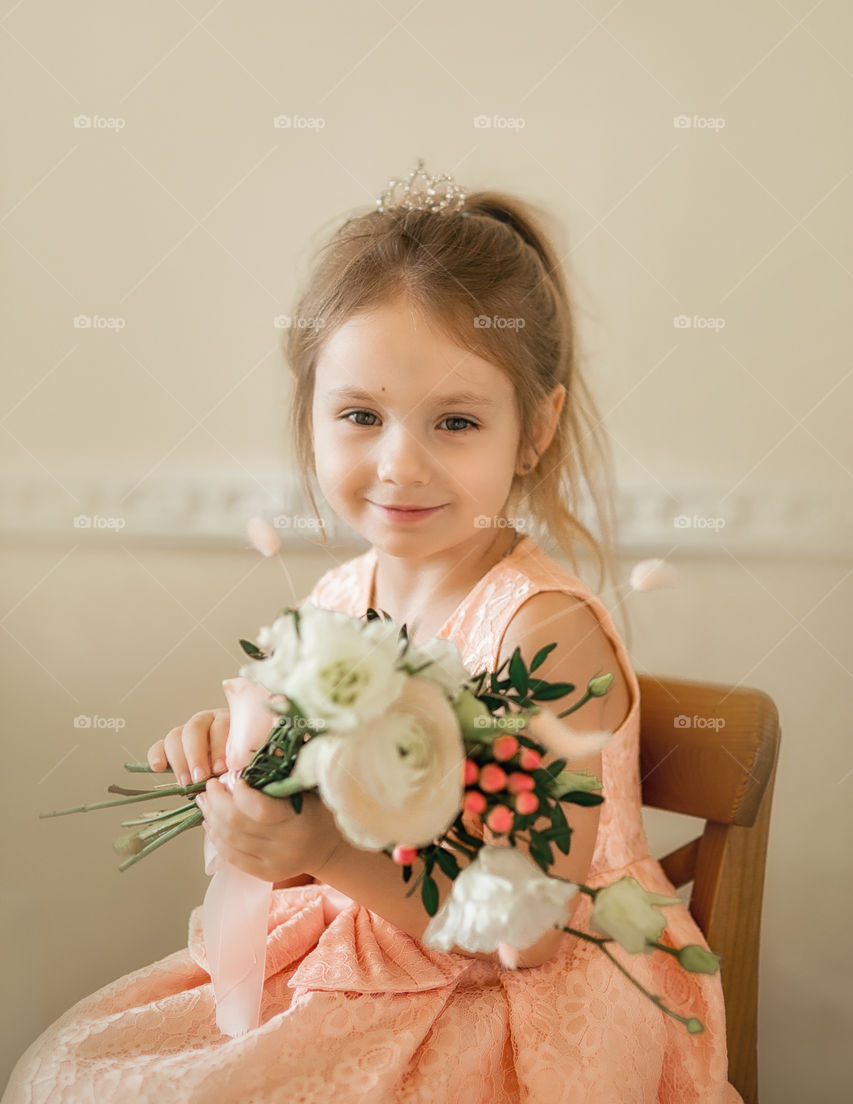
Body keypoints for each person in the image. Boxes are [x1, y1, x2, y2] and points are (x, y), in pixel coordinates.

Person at [2, 161, 742, 1102]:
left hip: (516, 1011)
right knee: (73, 1072)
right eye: (359, 415)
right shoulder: (339, 600)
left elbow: (529, 924)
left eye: (456, 421)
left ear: (536, 428)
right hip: (358, 965)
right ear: (310, 414)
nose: (400, 463)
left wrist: (325, 855)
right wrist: (239, 765)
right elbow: (306, 792)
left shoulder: (545, 632)